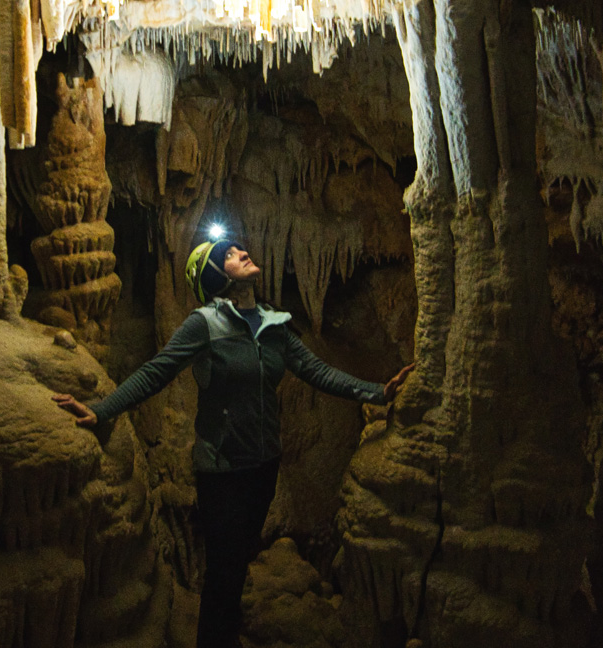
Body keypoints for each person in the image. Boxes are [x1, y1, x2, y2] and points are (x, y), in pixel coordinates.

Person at [54, 236, 414, 648]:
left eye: (239, 249)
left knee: (237, 567)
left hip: (263, 468)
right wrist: (102, 409)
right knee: (223, 574)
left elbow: (319, 372)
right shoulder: (204, 324)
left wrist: (378, 393)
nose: (243, 253)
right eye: (229, 254)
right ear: (215, 276)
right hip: (222, 472)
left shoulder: (275, 325)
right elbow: (158, 371)